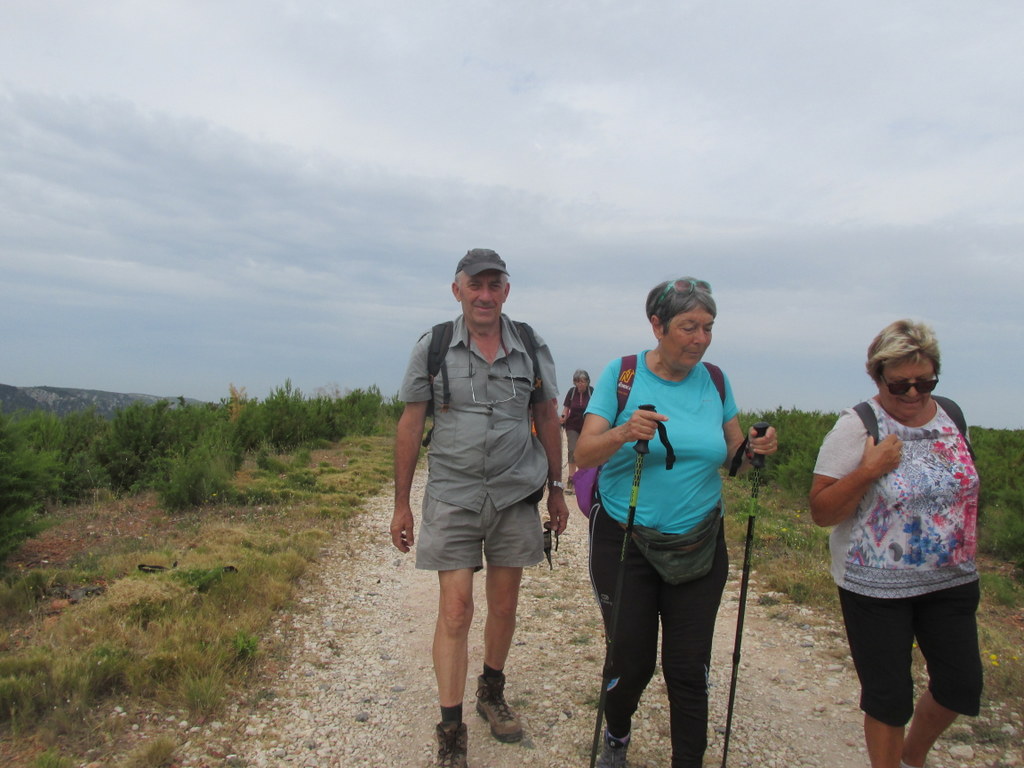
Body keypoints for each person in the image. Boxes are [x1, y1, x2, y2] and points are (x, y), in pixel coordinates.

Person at [575, 278, 777, 768]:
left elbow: (731, 455)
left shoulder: (715, 380)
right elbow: (583, 453)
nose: (701, 338)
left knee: (688, 667)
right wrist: (625, 432)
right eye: (689, 327)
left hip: (701, 541)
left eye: (708, 327)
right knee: (633, 660)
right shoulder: (622, 374)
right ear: (657, 325)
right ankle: (617, 735)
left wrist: (754, 450)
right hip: (625, 538)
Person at [390, 248, 570, 768]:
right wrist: (401, 504)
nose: (485, 295)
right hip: (453, 493)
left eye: (495, 286)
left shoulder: (531, 346)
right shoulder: (434, 345)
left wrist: (557, 487)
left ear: (506, 292)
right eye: (476, 285)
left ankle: (491, 689)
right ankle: (451, 729)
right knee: (455, 610)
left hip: (516, 492)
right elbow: (410, 423)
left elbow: (547, 415)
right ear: (458, 290)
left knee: (506, 605)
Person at [809, 319, 982, 768]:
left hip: (951, 577)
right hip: (875, 585)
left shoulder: (951, 415)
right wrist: (868, 470)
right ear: (877, 376)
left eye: (924, 382)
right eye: (899, 384)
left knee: (961, 684)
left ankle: (911, 758)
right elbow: (822, 510)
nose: (911, 393)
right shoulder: (858, 425)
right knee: (888, 698)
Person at [560, 369, 593, 493]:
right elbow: (566, 409)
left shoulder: (592, 392)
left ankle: (584, 479)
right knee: (572, 450)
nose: (581, 384)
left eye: (583, 381)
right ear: (575, 382)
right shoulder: (571, 392)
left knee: (584, 452)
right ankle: (571, 479)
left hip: (587, 426)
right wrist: (562, 418)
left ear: (587, 382)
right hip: (572, 425)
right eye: (578, 381)